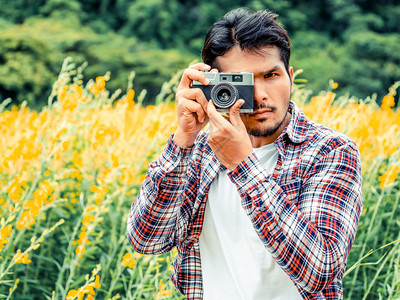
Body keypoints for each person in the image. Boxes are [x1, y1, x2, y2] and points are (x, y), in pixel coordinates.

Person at [127, 7, 363, 300]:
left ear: (290, 77)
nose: (261, 94)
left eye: (271, 75)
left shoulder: (330, 151)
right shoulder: (199, 151)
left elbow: (320, 269)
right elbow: (145, 240)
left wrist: (242, 164)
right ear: (216, 87)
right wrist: (184, 137)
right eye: (245, 82)